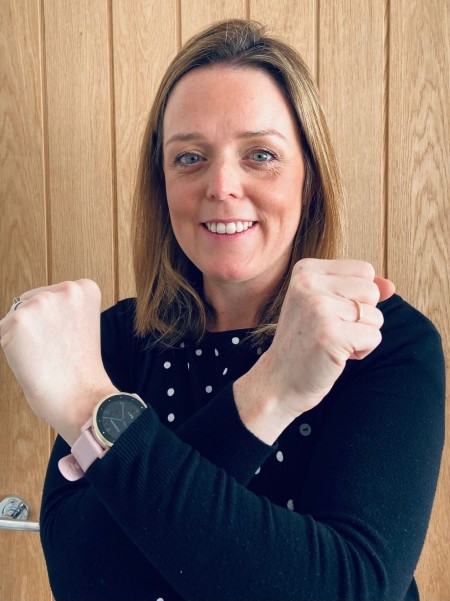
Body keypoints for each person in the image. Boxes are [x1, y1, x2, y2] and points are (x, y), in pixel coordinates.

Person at [0, 19, 445, 601]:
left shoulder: (380, 337)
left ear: (308, 178)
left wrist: (92, 409)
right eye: (189, 157)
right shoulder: (113, 342)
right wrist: (268, 394)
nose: (223, 185)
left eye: (260, 154)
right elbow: (87, 580)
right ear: (161, 184)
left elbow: (353, 587)